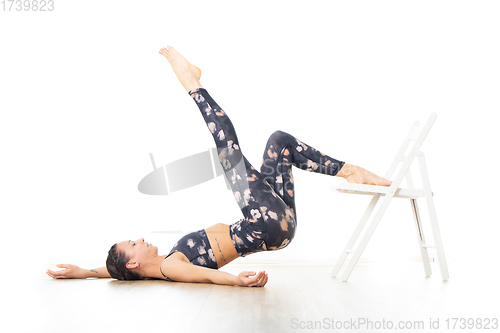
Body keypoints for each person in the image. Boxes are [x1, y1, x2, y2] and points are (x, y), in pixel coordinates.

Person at [46, 46, 392, 287]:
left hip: (276, 222)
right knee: (228, 151)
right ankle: (193, 84)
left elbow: (116, 271)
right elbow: (206, 276)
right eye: (132, 244)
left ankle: (349, 170)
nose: (138, 238)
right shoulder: (171, 267)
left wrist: (84, 271)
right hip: (264, 226)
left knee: (279, 141)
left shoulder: (157, 264)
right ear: (134, 261)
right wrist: (237, 282)